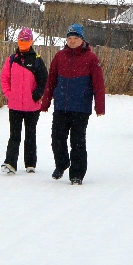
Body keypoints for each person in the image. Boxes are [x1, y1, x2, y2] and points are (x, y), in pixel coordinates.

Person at [41, 24, 105, 185]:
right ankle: (62, 163)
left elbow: (98, 83)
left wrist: (100, 106)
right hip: (61, 105)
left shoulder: (91, 58)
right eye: (69, 38)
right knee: (57, 139)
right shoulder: (60, 56)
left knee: (77, 141)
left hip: (81, 107)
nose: (72, 41)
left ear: (82, 39)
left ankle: (77, 173)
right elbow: (51, 81)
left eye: (75, 38)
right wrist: (45, 102)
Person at [0, 27, 48, 175]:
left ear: (31, 41)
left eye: (26, 40)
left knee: (30, 135)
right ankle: (10, 163)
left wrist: (37, 95)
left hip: (32, 107)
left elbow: (44, 80)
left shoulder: (37, 60)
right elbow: (4, 78)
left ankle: (30, 164)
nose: (23, 43)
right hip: (14, 106)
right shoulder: (12, 59)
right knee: (14, 135)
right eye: (21, 40)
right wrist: (9, 93)